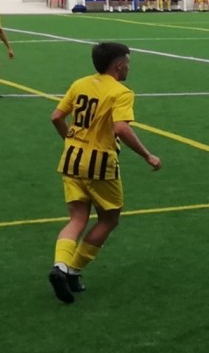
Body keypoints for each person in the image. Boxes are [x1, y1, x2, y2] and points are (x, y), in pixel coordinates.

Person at [47, 42, 162, 304]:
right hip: (99, 164)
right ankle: (74, 271)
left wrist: (70, 141)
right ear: (118, 64)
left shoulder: (80, 84)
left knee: (77, 219)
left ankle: (60, 267)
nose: (129, 66)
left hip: (71, 159)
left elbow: (56, 117)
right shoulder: (121, 92)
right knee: (109, 219)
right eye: (128, 62)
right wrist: (147, 155)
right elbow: (120, 128)